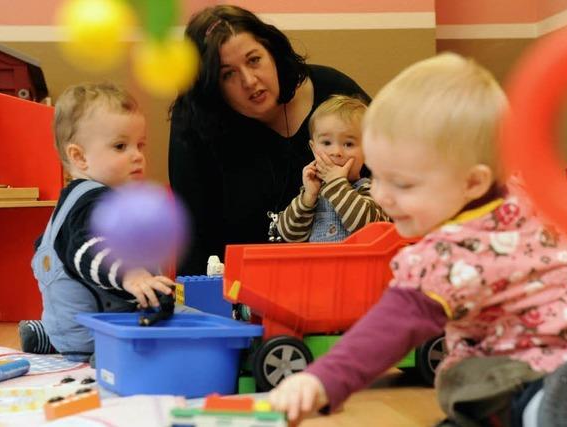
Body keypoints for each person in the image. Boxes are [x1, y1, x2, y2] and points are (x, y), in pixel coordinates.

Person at [269, 53, 567, 426]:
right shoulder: (531, 196)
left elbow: (389, 327)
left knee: (461, 374)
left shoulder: (451, 252)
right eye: (380, 175)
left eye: (403, 183)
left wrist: (320, 380)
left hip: (543, 369)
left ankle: (533, 409)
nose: (384, 196)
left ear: (473, 181)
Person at [169, 5, 370, 274]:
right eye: (228, 74)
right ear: (210, 86)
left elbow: (396, 178)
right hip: (238, 288)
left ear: (272, 52)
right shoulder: (196, 122)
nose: (250, 81)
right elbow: (192, 233)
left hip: (344, 276)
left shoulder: (335, 95)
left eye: (254, 60)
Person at [20, 82, 175, 362]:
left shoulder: (84, 200)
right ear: (79, 157)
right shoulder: (95, 202)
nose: (137, 155)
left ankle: (48, 334)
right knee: (183, 329)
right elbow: (89, 246)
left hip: (74, 321)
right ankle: (82, 347)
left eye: (140, 145)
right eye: (120, 146)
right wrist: (132, 274)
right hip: (97, 332)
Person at [275, 95, 388, 242]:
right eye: (327, 143)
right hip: (318, 265)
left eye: (348, 144)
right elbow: (289, 235)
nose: (336, 152)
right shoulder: (313, 194)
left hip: (357, 264)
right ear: (313, 149)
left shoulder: (372, 190)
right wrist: (308, 198)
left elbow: (367, 227)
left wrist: (336, 183)